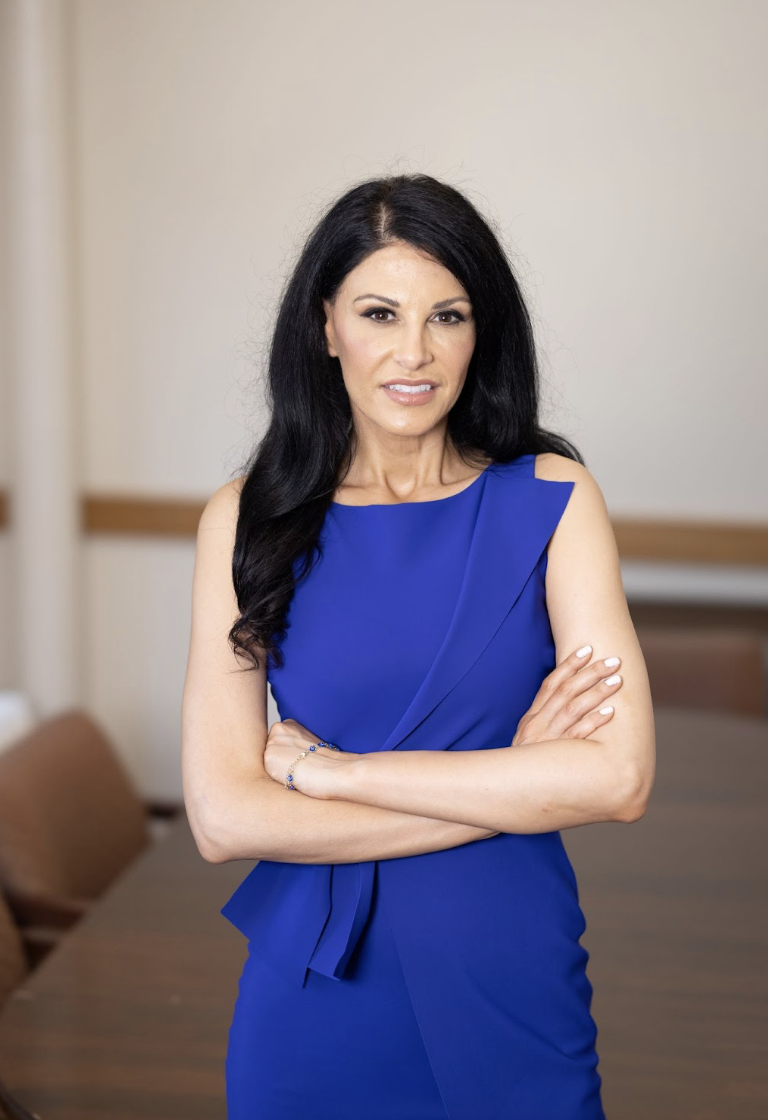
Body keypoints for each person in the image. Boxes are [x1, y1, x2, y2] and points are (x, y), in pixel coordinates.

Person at [181, 173, 656, 1119]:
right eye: (379, 312)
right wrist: (515, 781)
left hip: (509, 968)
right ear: (326, 327)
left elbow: (619, 780)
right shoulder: (247, 518)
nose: (414, 351)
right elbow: (226, 818)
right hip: (317, 996)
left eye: (448, 316)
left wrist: (335, 773)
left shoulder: (552, 496)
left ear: (483, 332)